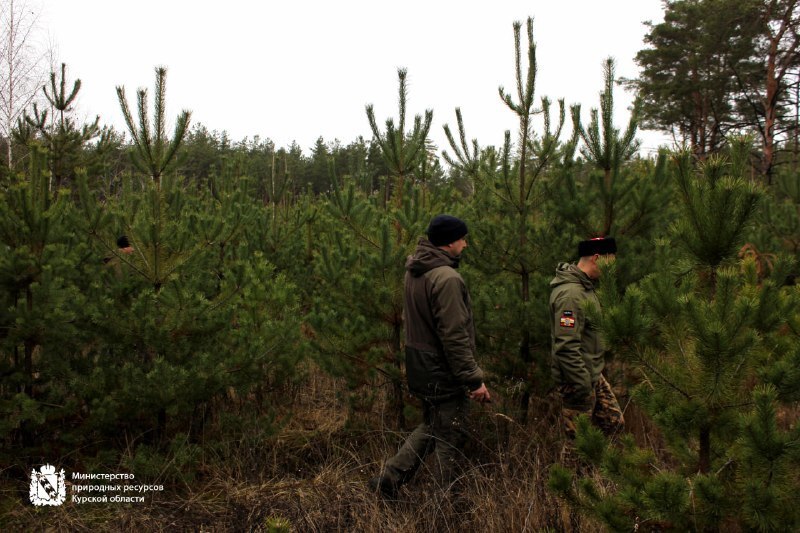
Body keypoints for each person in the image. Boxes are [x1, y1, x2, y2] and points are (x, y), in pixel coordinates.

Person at [369, 214, 491, 497]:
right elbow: (454, 337)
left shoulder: (416, 270)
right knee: (450, 436)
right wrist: (474, 380)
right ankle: (443, 504)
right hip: (442, 369)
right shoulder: (446, 277)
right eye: (462, 238)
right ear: (450, 242)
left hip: (421, 366)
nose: (466, 244)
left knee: (434, 426)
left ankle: (389, 479)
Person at [549, 236, 624, 441]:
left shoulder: (585, 288)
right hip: (576, 379)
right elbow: (566, 346)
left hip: (591, 374)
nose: (612, 269)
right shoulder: (571, 295)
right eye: (611, 262)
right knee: (577, 443)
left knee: (613, 423)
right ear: (597, 258)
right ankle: (578, 474)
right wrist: (582, 384)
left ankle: (597, 472)